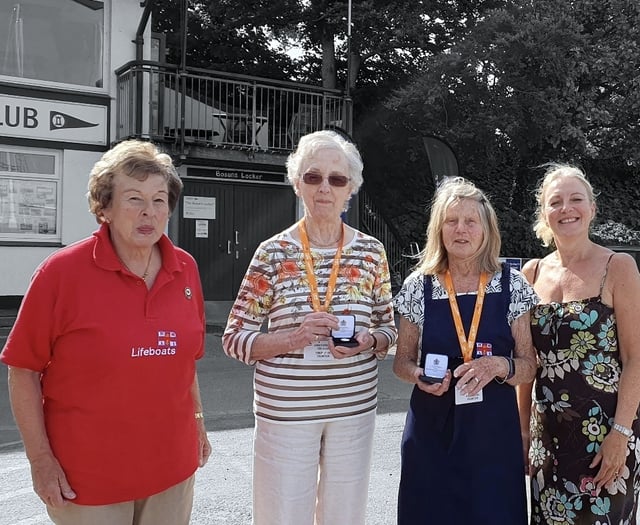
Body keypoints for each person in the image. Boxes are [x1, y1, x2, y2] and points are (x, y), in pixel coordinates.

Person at [0, 139, 211, 525]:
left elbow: (186, 364)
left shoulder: (185, 269)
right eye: (134, 199)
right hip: (88, 480)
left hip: (171, 470)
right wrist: (40, 460)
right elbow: (23, 369)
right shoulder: (61, 274)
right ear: (105, 208)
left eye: (159, 199)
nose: (148, 212)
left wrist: (198, 423)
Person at [222, 130, 397, 525]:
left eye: (337, 179)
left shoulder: (371, 252)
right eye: (313, 176)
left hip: (353, 411)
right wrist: (293, 338)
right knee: (282, 516)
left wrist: (369, 340)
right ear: (296, 183)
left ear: (351, 188)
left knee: (344, 516)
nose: (324, 188)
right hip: (286, 413)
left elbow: (389, 328)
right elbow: (234, 338)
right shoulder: (274, 252)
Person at [393, 176, 538, 524]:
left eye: (470, 221)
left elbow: (529, 364)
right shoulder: (419, 284)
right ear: (438, 229)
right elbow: (401, 362)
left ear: (486, 229)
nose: (461, 229)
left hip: (492, 430)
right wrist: (418, 375)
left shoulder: (512, 284)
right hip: (432, 425)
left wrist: (500, 366)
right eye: (451, 221)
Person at [520, 164, 640, 523]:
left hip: (606, 436)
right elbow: (527, 364)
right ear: (544, 213)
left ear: (592, 208)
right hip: (548, 437)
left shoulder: (618, 267)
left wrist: (620, 433)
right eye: (555, 202)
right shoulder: (531, 274)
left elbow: (636, 358)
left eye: (576, 199)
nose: (566, 209)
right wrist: (522, 430)